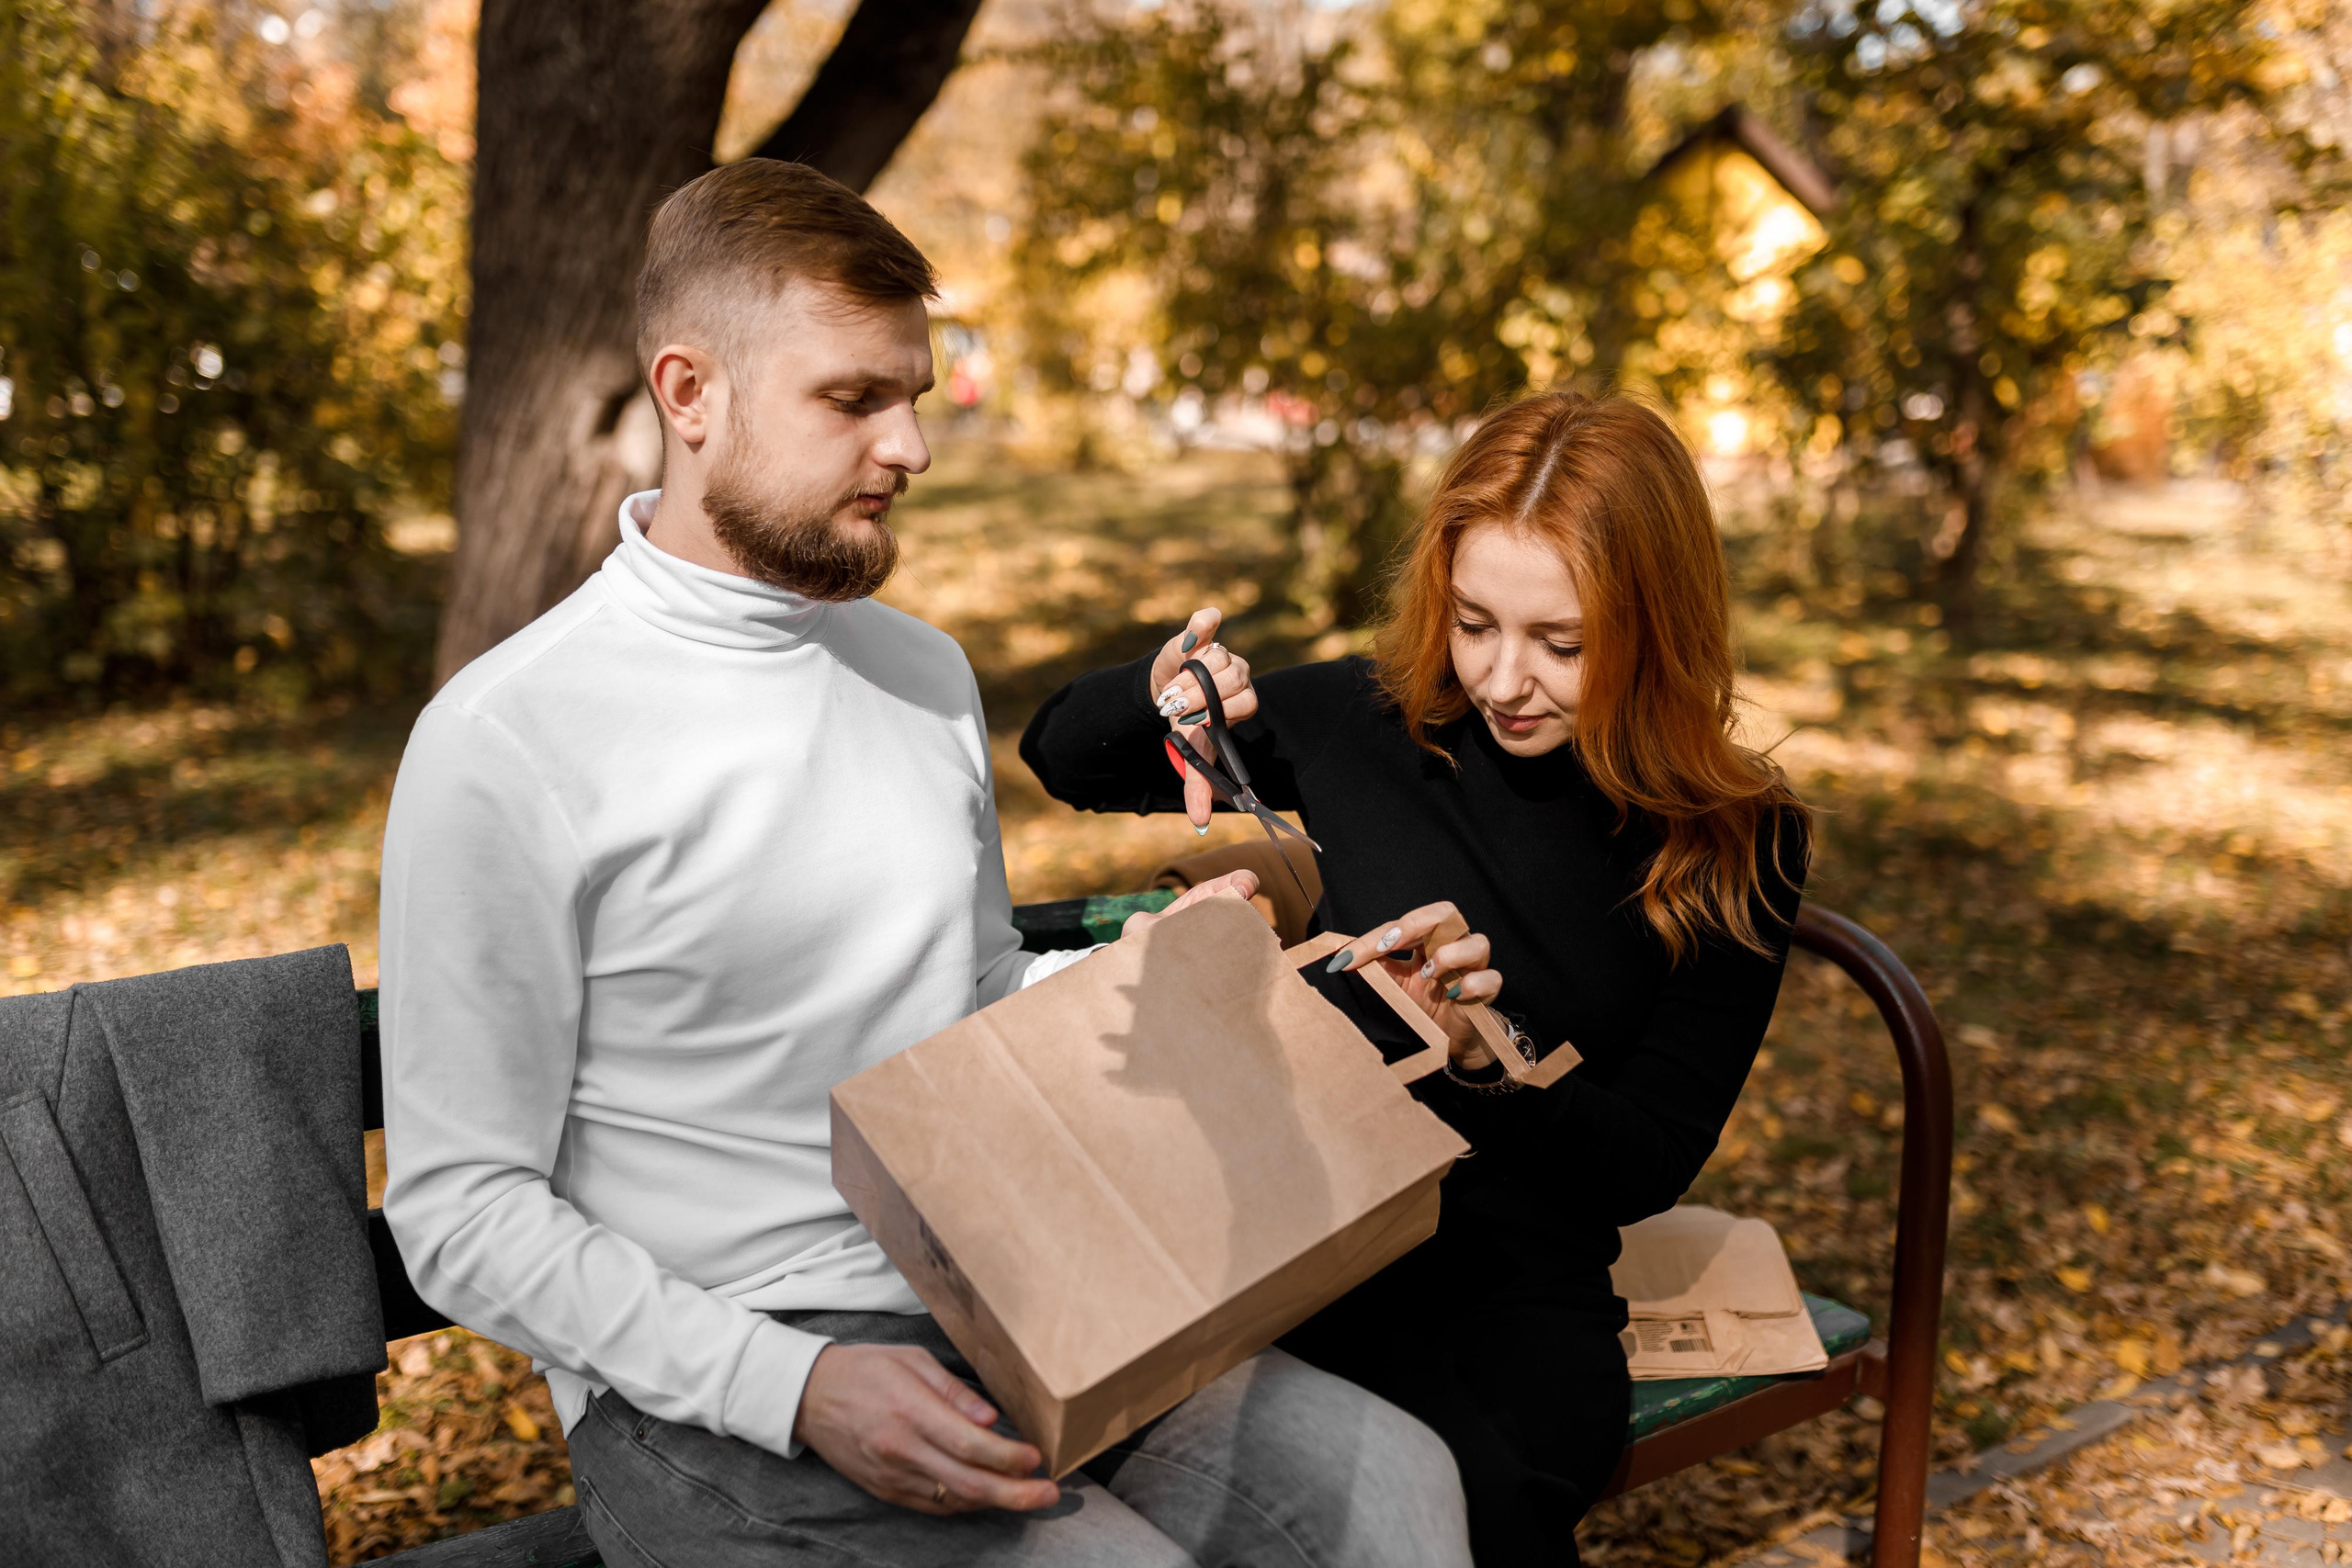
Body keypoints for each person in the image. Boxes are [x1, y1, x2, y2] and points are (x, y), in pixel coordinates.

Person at [379, 158, 1474, 1568]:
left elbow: (974, 983)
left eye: (913, 390)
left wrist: (1228, 978)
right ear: (689, 393)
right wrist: (799, 1385)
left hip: (1017, 1283)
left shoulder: (917, 670)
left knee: (1397, 1485)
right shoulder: (508, 739)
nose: (914, 445)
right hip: (716, 1379)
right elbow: (460, 1211)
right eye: (855, 399)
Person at [1021, 390, 1812, 1566]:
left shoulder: (1733, 835)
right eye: (1474, 622)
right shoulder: (1370, 722)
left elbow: (1650, 1162)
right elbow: (1060, 757)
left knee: (1471, 1495)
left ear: (1656, 622)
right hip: (1301, 1227)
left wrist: (1494, 1064)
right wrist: (1163, 693)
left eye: (1563, 642)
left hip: (1510, 1280)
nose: (1502, 682)